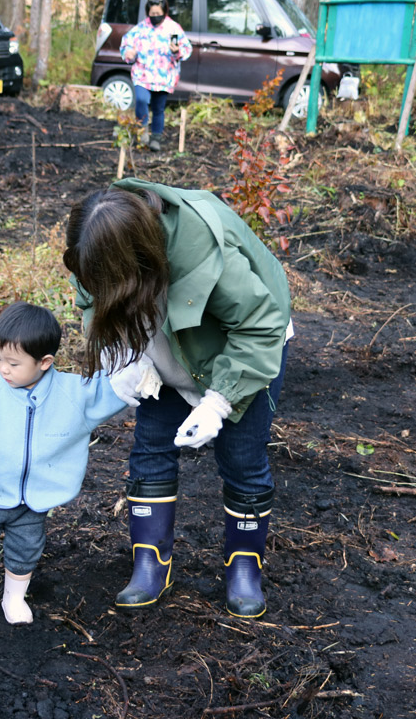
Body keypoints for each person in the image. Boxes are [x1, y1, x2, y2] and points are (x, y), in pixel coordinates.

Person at [63, 178, 292, 619]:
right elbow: (91, 297)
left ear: (141, 260)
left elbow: (260, 324)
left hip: (237, 350)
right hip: (163, 348)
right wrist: (123, 357)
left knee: (242, 459)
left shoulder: (198, 245)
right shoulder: (97, 237)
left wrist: (218, 402)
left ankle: (244, 567)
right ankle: (151, 563)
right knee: (151, 447)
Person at [0, 302, 126, 628]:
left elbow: (105, 391)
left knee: (26, 549)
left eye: (13, 362)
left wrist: (137, 377)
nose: (3, 369)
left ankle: (13, 598)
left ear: (44, 362)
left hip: (34, 497)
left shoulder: (71, 393)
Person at [119, 0, 191, 152]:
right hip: (142, 74)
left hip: (163, 76)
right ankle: (142, 131)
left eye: (158, 13)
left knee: (158, 108)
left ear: (164, 13)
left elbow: (186, 49)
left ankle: (156, 139)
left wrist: (176, 51)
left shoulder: (173, 28)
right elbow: (126, 44)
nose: (155, 16)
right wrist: (128, 52)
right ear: (148, 13)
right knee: (141, 99)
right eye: (152, 14)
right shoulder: (140, 29)